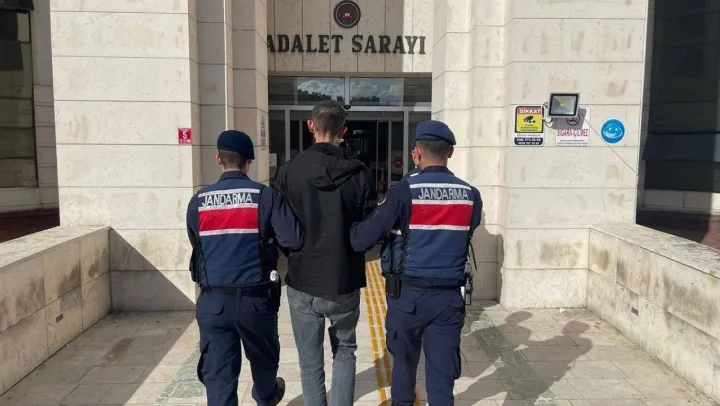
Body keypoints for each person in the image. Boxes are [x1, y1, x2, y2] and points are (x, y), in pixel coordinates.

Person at [349, 120, 483, 406]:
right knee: (442, 378)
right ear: (450, 152)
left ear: (417, 153)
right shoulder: (471, 195)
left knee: (404, 366)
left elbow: (363, 240)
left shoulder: (403, 191)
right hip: (449, 299)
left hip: (407, 298)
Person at [186, 130, 303, 406]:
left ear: (218, 159)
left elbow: (196, 243)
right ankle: (265, 396)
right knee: (264, 362)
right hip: (255, 301)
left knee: (219, 380)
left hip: (213, 303)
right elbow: (293, 239)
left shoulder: (198, 202)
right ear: (249, 161)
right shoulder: (265, 196)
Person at [274, 100, 376, 406]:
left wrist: (294, 253)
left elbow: (280, 229)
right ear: (343, 131)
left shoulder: (288, 172)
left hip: (303, 279)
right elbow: (368, 229)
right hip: (344, 278)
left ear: (310, 125)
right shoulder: (360, 174)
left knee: (309, 361)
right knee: (345, 351)